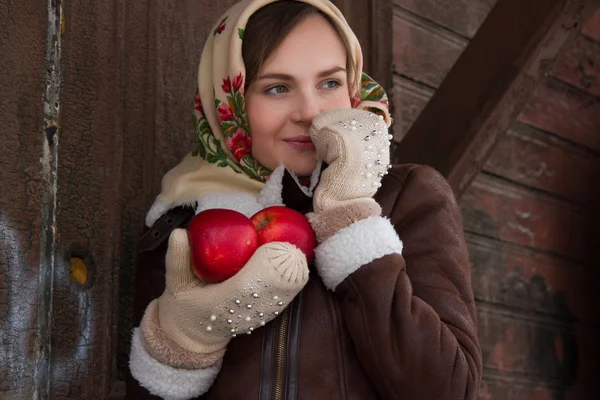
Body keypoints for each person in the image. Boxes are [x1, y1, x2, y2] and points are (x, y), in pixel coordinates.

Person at [126, 0, 483, 398]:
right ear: (230, 102)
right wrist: (180, 344)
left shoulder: (409, 198)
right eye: (277, 88)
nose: (310, 112)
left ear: (353, 88)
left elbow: (451, 390)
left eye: (330, 83)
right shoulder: (187, 218)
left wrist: (352, 224)